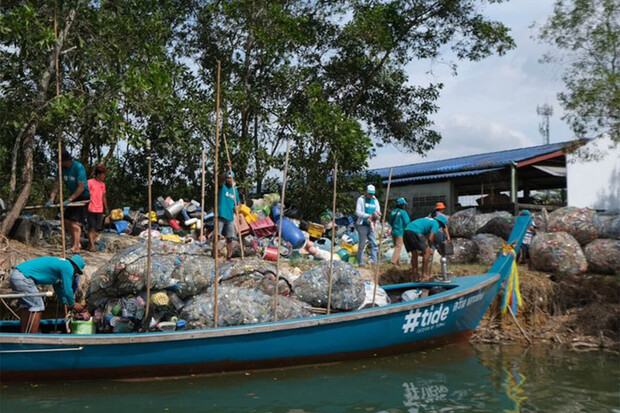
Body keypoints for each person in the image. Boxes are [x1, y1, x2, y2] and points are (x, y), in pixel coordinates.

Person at [9, 254, 85, 333]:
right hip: (24, 277)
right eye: (77, 272)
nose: (75, 274)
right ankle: (32, 336)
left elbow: (58, 287)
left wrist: (65, 302)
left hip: (16, 275)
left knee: (26, 306)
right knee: (38, 306)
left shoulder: (62, 265)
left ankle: (24, 334)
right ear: (75, 267)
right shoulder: (68, 267)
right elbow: (67, 288)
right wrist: (73, 303)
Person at [47, 150, 90, 253]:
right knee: (65, 221)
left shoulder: (78, 167)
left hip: (82, 197)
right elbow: (56, 184)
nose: (58, 163)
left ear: (65, 160)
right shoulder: (61, 169)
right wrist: (51, 199)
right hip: (72, 197)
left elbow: (81, 187)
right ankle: (77, 242)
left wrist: (69, 200)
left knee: (75, 223)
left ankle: (75, 248)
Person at [403, 215, 448, 281]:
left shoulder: (428, 220)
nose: (440, 228)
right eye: (441, 226)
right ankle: (424, 275)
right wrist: (430, 247)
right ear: (440, 223)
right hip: (415, 232)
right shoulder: (436, 223)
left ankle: (415, 276)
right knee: (428, 251)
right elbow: (430, 238)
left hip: (406, 232)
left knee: (414, 254)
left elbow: (424, 237)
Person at [215, 170, 241, 260]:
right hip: (221, 215)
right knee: (217, 236)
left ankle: (229, 256)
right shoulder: (222, 187)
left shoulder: (235, 191)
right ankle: (214, 254)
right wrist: (226, 170)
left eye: (230, 178)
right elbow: (220, 179)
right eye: (228, 178)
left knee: (229, 237)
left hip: (230, 217)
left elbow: (238, 203)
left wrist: (237, 207)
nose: (229, 180)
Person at [355, 184, 381, 266]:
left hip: (372, 225)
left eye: (372, 193)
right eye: (369, 193)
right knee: (362, 244)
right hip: (362, 225)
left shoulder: (375, 201)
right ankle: (360, 262)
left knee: (374, 243)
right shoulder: (361, 199)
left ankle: (374, 262)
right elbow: (358, 212)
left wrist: (376, 216)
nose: (371, 195)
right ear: (365, 192)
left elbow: (378, 212)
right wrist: (368, 215)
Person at [86, 165, 109, 251]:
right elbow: (86, 194)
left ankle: (89, 244)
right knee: (91, 227)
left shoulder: (103, 185)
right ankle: (92, 245)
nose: (104, 176)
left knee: (96, 228)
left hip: (99, 209)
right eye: (103, 174)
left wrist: (106, 208)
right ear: (98, 174)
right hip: (91, 208)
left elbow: (103, 196)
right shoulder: (90, 182)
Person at [387, 198, 410, 265]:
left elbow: (390, 222)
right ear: (402, 205)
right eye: (404, 205)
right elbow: (407, 222)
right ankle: (393, 262)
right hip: (400, 231)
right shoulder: (403, 212)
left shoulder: (393, 212)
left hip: (393, 231)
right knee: (398, 247)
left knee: (396, 247)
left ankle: (398, 262)